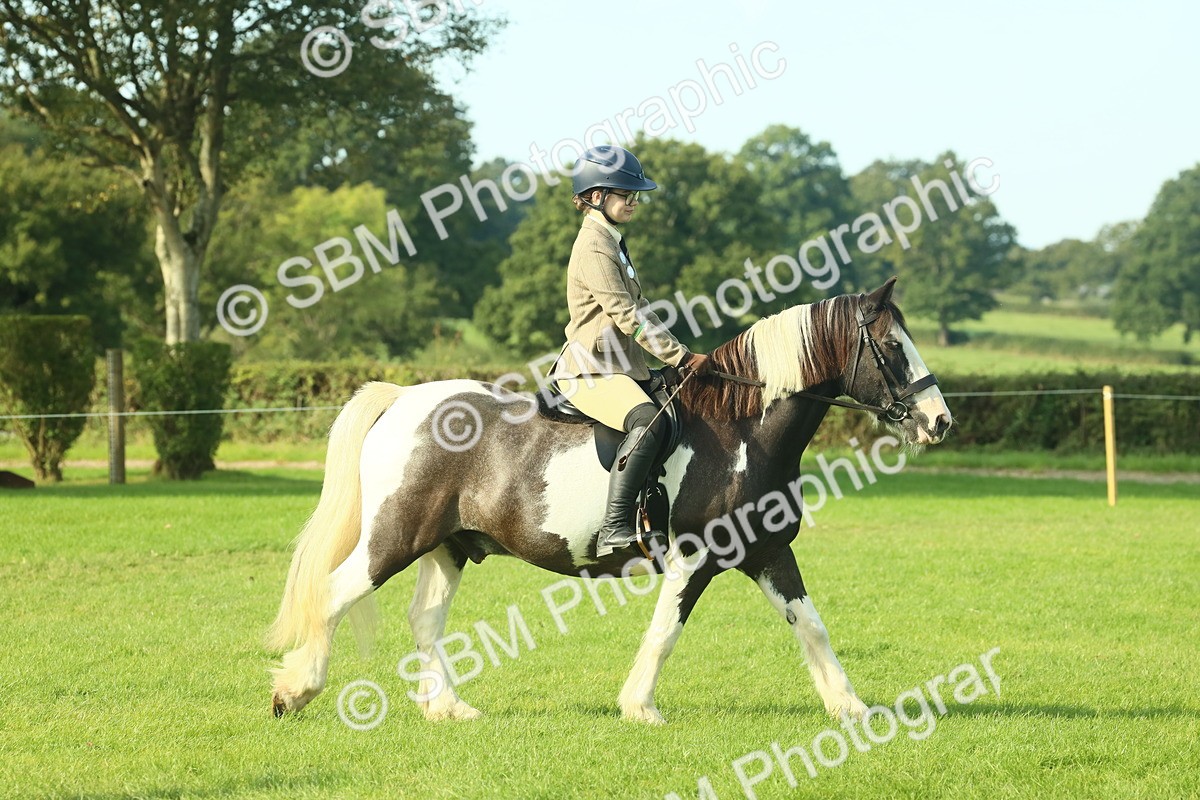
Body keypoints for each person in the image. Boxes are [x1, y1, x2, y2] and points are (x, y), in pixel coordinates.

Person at [552, 145, 711, 556]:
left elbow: (638, 308)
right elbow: (627, 316)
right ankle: (614, 528)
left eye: (635, 194)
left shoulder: (612, 240)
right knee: (648, 421)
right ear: (597, 196)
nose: (634, 201)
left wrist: (675, 356)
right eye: (626, 194)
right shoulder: (594, 246)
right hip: (591, 370)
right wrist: (678, 357)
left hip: (623, 365)